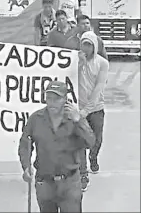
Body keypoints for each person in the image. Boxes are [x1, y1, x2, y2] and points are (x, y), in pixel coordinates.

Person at [18, 81, 95, 213]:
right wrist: (26, 166)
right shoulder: (36, 119)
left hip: (70, 183)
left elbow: (90, 142)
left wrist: (79, 121)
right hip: (44, 183)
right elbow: (25, 144)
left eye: (57, 98)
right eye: (49, 98)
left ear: (65, 99)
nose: (52, 102)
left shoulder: (74, 119)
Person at [78, 31, 109, 192]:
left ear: (95, 46)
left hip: (96, 108)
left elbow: (98, 88)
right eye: (83, 43)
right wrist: (80, 65)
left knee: (96, 139)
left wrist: (87, 109)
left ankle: (93, 156)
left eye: (89, 44)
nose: (86, 47)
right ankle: (83, 174)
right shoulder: (74, 61)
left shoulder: (102, 63)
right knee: (80, 143)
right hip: (78, 109)